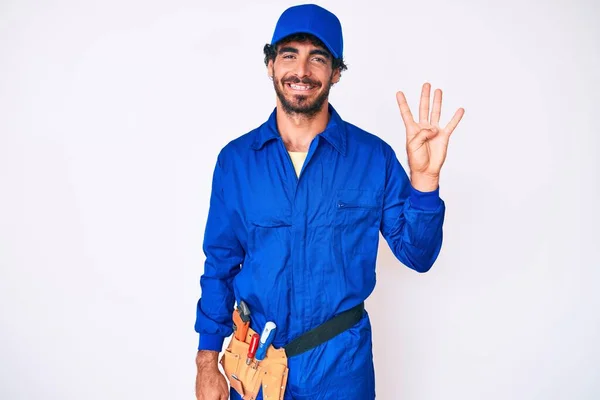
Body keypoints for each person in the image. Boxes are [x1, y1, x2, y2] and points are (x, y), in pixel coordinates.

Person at [194, 4, 464, 400]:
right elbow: (219, 265)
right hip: (254, 368)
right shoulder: (236, 162)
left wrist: (425, 181)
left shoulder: (373, 159)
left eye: (317, 58)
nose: (301, 71)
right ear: (270, 64)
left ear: (336, 72)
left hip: (341, 371)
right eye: (289, 54)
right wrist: (206, 362)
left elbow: (418, 256)